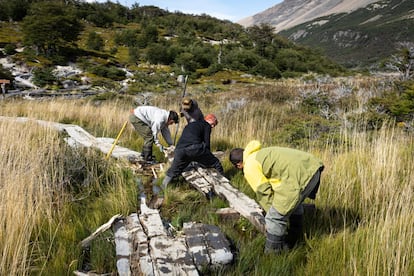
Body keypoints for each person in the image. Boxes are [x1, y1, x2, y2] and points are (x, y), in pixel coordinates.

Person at [229, 140, 324, 254]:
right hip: (312, 168)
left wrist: (273, 213)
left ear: (238, 164)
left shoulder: (249, 165)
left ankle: (273, 255)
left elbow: (263, 192)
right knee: (294, 204)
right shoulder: (259, 154)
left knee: (274, 218)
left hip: (298, 177)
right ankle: (295, 240)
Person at [153, 114, 224, 208]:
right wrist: (208, 156)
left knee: (174, 170)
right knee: (215, 163)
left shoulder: (191, 124)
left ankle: (161, 190)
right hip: (194, 149)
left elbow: (187, 139)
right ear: (209, 120)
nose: (212, 127)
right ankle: (223, 184)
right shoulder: (206, 125)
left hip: (179, 150)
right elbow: (207, 143)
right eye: (213, 124)